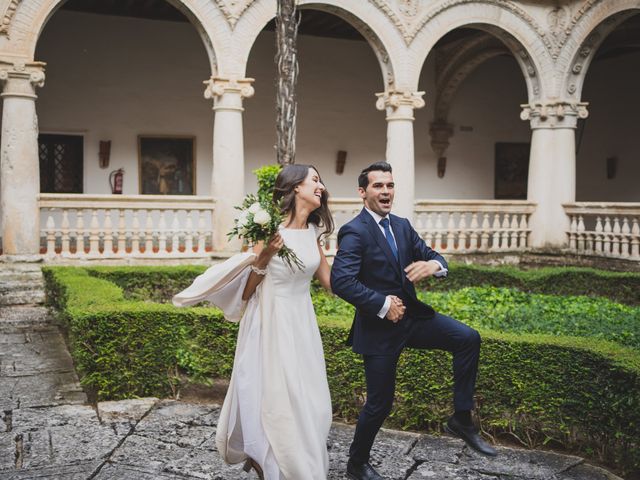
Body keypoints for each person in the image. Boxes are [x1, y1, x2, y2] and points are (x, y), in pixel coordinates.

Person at [330, 162, 497, 480]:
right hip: (379, 329)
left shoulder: (403, 226)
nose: (386, 191)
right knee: (379, 405)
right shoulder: (355, 230)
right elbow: (342, 281)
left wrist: (434, 266)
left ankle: (461, 418)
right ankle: (356, 464)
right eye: (378, 186)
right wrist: (381, 304)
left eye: (390, 185)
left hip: (412, 319)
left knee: (467, 338)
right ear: (363, 192)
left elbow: (434, 255)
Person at [215, 164, 334, 479]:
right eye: (315, 180)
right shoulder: (268, 231)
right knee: (279, 397)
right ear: (296, 187)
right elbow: (247, 291)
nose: (321, 187)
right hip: (271, 320)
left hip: (302, 322)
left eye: (320, 182)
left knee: (314, 401)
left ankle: (290, 459)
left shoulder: (313, 233)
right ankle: (270, 461)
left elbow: (332, 284)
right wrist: (265, 255)